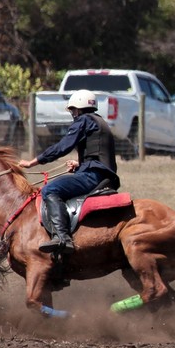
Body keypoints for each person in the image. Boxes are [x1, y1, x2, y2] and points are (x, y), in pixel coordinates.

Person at [18, 89, 120, 254]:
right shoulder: (100, 121)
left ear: (78, 109)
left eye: (72, 109)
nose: (72, 113)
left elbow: (63, 146)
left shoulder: (84, 120)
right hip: (101, 175)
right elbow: (99, 155)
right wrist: (80, 165)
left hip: (92, 176)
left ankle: (62, 238)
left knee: (50, 190)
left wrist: (33, 162)